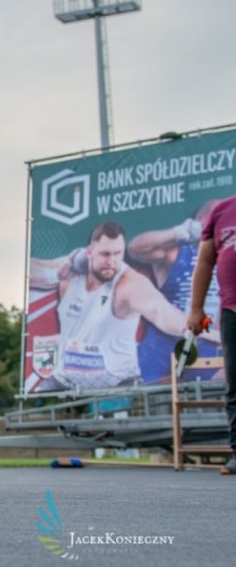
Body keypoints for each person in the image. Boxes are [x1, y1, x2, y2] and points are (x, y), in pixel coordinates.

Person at [29, 221, 217, 391]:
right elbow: (29, 270)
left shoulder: (130, 284)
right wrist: (54, 275)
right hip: (68, 378)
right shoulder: (73, 269)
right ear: (90, 252)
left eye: (117, 254)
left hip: (114, 382)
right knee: (37, 399)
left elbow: (163, 313)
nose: (111, 261)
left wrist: (215, 334)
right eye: (105, 254)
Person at [128, 202, 222, 381]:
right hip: (163, 344)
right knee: (147, 392)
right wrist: (181, 231)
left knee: (207, 391)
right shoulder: (177, 252)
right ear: (201, 220)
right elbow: (135, 249)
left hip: (207, 343)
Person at [185, 195, 236, 474]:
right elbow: (205, 260)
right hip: (231, 311)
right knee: (235, 386)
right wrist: (196, 309)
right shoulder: (222, 210)